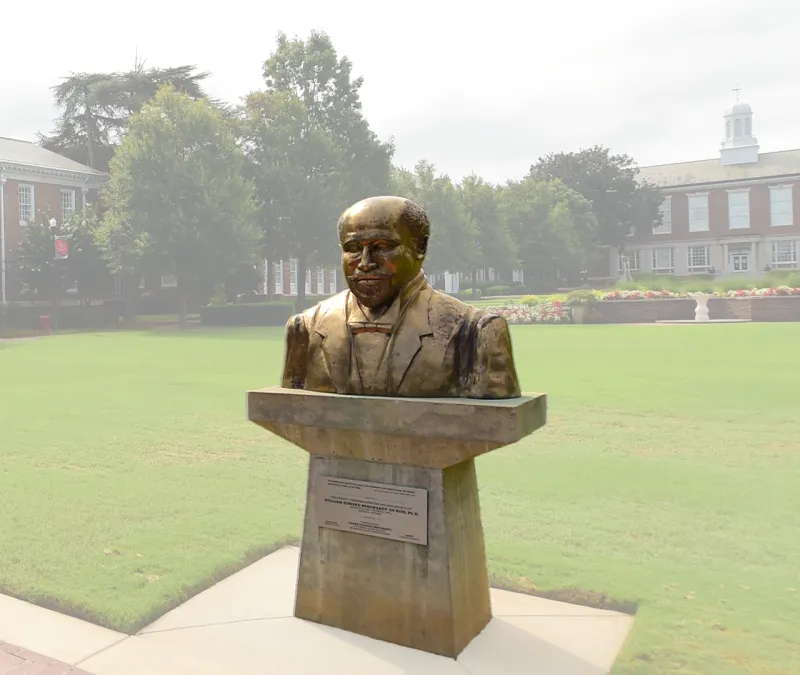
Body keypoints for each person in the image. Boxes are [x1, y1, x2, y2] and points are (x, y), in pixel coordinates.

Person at [281, 196, 521, 399]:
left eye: (382, 246)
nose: (365, 263)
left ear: (420, 247)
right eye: (353, 248)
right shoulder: (305, 330)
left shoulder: (475, 333)